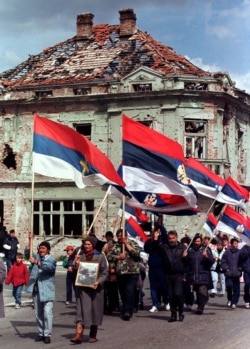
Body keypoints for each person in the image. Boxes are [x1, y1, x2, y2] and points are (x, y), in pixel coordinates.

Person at [70, 235, 108, 344]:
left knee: (95, 310)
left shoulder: (100, 256)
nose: (86, 246)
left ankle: (93, 334)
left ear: (93, 245)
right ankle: (78, 334)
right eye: (85, 244)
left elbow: (104, 272)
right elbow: (75, 270)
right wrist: (76, 264)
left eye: (89, 244)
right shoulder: (80, 255)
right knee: (81, 309)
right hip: (82, 288)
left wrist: (98, 281)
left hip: (96, 288)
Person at [26, 241, 57, 344]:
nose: (41, 250)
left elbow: (48, 267)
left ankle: (47, 334)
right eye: (40, 248)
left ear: (48, 249)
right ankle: (41, 333)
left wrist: (36, 262)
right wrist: (30, 241)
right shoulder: (37, 257)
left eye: (43, 248)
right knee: (38, 313)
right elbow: (28, 254)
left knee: (47, 313)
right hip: (36, 289)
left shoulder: (51, 259)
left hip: (47, 289)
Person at [107, 229, 141, 321]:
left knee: (129, 291)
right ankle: (126, 308)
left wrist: (126, 245)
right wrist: (117, 257)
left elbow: (137, 255)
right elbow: (109, 256)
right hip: (121, 272)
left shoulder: (133, 243)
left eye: (121, 235)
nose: (119, 237)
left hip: (132, 271)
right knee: (122, 292)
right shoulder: (115, 246)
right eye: (118, 236)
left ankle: (127, 312)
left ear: (126, 236)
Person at [153, 229, 186, 322]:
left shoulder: (182, 248)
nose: (171, 240)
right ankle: (173, 314)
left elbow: (188, 262)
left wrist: (186, 256)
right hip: (168, 274)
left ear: (176, 238)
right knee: (171, 296)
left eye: (173, 238)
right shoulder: (165, 247)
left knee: (178, 294)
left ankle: (181, 312)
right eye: (170, 238)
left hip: (179, 274)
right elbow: (156, 248)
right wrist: (155, 238)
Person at [184, 234, 214, 315]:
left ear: (201, 242)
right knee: (198, 291)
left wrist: (206, 256)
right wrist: (185, 257)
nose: (197, 243)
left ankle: (200, 308)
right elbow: (186, 263)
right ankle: (201, 304)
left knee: (202, 290)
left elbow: (211, 261)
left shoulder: (206, 249)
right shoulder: (190, 250)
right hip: (193, 275)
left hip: (203, 275)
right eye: (195, 241)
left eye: (198, 241)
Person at [144, 225, 169, 313]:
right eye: (153, 232)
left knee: (163, 286)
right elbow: (147, 249)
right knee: (153, 287)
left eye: (157, 232)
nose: (155, 234)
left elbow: (161, 250)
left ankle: (166, 301)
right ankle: (155, 304)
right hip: (152, 268)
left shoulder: (163, 242)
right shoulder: (149, 242)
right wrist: (153, 240)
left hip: (161, 267)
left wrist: (160, 225)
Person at [102, 231, 120, 314]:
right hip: (106, 269)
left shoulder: (115, 245)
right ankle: (107, 306)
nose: (108, 238)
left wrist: (113, 267)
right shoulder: (105, 245)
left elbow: (116, 257)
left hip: (113, 269)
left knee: (113, 289)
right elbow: (104, 255)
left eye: (110, 237)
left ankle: (114, 305)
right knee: (107, 290)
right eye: (107, 237)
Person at [221, 238, 242, 309]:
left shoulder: (240, 252)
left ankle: (234, 302)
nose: (236, 244)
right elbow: (223, 261)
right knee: (229, 286)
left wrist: (240, 269)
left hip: (236, 274)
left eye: (237, 243)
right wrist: (226, 269)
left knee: (236, 289)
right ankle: (229, 299)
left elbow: (242, 262)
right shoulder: (227, 252)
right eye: (235, 243)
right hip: (229, 274)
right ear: (232, 244)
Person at [239, 243, 250, 308]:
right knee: (247, 284)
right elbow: (241, 256)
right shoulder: (245, 247)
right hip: (247, 269)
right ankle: (247, 300)